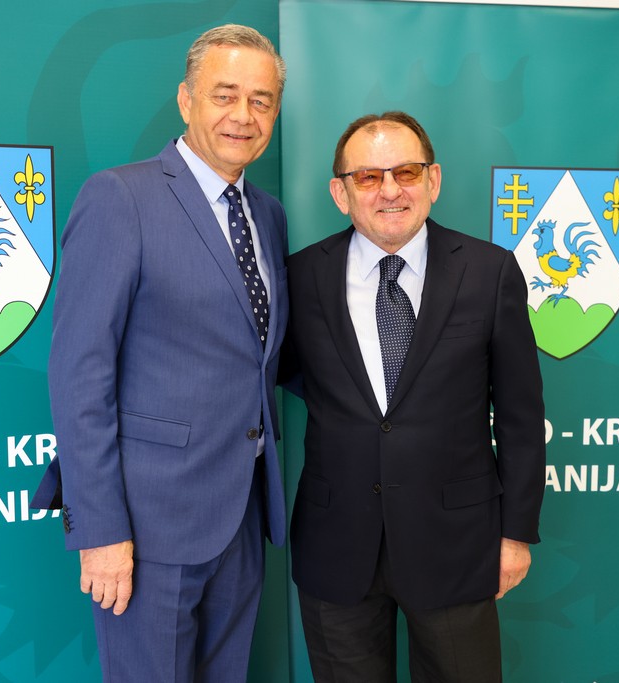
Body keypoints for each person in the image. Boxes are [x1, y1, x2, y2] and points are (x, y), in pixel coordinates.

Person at [31, 24, 288, 682]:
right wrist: (100, 529)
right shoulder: (121, 198)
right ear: (185, 99)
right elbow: (80, 374)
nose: (243, 115)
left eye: (261, 100)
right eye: (224, 94)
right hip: (146, 530)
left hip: (242, 516)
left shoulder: (267, 215)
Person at [283, 111, 545, 682]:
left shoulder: (489, 271)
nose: (390, 191)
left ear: (434, 180)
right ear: (340, 193)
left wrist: (516, 534)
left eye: (405, 172)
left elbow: (521, 417)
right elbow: (294, 377)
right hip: (336, 546)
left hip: (458, 545)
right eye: (368, 177)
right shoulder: (299, 278)